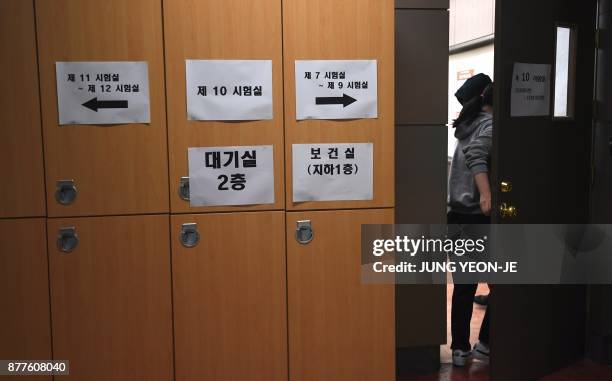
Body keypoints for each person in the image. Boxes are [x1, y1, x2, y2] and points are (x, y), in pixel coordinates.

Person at [448, 74, 493, 367]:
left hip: (456, 215)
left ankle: (461, 350)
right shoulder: (488, 126)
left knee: (464, 287)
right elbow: (478, 156)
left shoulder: (465, 127)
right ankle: (486, 343)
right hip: (478, 217)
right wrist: (487, 195)